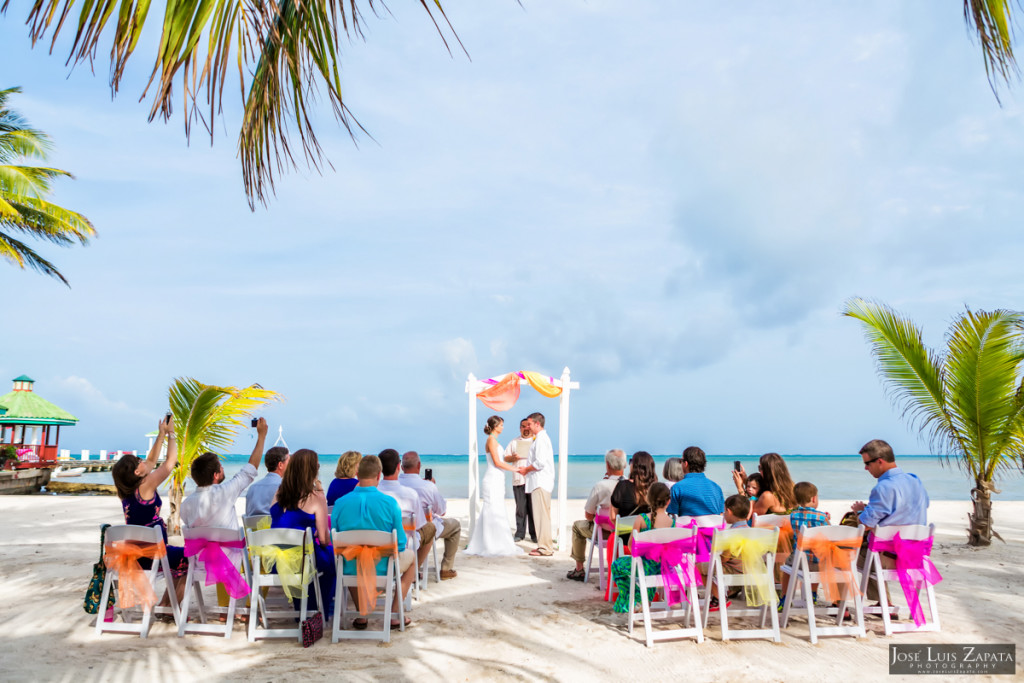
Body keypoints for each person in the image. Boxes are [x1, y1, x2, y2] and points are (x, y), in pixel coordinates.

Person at [331, 454, 416, 629]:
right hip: (384, 567)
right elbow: (400, 544)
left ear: (357, 475)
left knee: (351, 557)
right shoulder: (390, 504)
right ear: (379, 476)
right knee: (413, 559)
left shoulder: (340, 503)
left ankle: (362, 615)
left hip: (347, 567)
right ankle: (393, 614)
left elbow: (335, 541)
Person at [850, 439, 930, 602]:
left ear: (880, 461)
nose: (865, 468)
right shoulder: (915, 481)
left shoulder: (882, 488)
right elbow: (923, 505)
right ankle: (882, 603)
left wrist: (859, 511)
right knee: (871, 545)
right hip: (917, 553)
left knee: (843, 551)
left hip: (889, 557)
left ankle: (843, 604)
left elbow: (864, 525)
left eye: (867, 464)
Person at [269, 449, 335, 617]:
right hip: (303, 563)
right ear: (313, 470)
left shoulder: (278, 494)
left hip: (276, 562)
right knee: (332, 557)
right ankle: (322, 609)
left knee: (312, 554)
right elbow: (324, 539)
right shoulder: (314, 498)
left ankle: (305, 609)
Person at [183, 418, 268, 529]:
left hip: (199, 547)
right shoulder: (225, 492)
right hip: (229, 546)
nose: (223, 467)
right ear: (215, 475)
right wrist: (261, 436)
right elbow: (251, 468)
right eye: (220, 466)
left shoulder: (185, 505)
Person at [608, 482, 676, 613]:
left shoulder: (641, 519)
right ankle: (642, 600)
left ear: (649, 499)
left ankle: (636, 598)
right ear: (668, 501)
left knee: (617, 565)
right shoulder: (672, 522)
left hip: (643, 566)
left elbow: (631, 545)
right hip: (663, 568)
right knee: (645, 568)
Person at [466, 416, 524, 557]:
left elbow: (502, 460)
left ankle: (497, 541)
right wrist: (515, 469)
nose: (503, 427)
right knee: (491, 509)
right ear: (495, 426)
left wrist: (512, 459)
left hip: (498, 478)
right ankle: (490, 543)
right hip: (492, 478)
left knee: (497, 509)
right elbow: (497, 463)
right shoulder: (491, 440)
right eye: (501, 425)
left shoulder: (495, 440)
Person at [564, 449, 626, 581]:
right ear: (625, 465)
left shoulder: (601, 486)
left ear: (607, 465)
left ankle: (579, 569)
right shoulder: (630, 485)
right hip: (624, 532)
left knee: (576, 526)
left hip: (604, 532)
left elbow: (589, 516)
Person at [399, 450, 462, 579]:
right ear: (419, 466)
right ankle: (446, 568)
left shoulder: (395, 484)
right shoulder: (427, 486)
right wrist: (433, 486)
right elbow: (442, 511)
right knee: (455, 526)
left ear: (401, 467)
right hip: (424, 530)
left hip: (400, 530)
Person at [779, 481, 831, 609]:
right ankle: (812, 594)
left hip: (800, 561)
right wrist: (827, 518)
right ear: (814, 498)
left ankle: (785, 597)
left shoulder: (793, 515)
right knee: (816, 564)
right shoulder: (822, 517)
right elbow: (828, 531)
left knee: (787, 568)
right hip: (819, 561)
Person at [377, 449, 432, 568]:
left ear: (380, 469)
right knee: (430, 528)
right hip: (403, 546)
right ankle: (413, 573)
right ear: (398, 467)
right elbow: (419, 525)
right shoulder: (410, 494)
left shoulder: (375, 492)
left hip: (376, 547)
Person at [519, 412, 554, 556]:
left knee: (542, 516)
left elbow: (539, 462)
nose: (527, 427)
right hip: (538, 482)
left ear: (537, 424)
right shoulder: (539, 438)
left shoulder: (541, 439)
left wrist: (526, 469)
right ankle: (543, 545)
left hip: (540, 482)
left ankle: (545, 548)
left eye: (529, 424)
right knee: (540, 516)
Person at [502, 418, 537, 543]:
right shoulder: (514, 442)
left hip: (533, 479)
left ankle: (534, 534)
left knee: (533, 508)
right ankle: (520, 533)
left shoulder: (536, 441)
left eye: (528, 427)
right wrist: (513, 457)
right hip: (519, 479)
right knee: (520, 507)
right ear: (520, 428)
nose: (526, 429)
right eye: (523, 426)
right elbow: (506, 458)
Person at [667, 446, 724, 517]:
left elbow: (673, 516)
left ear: (686, 464)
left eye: (681, 461)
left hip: (688, 527)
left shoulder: (677, 488)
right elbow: (720, 516)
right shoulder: (716, 488)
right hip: (713, 527)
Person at [611, 451, 658, 525]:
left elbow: (613, 517)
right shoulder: (656, 489)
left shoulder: (622, 486)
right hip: (647, 534)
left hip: (626, 534)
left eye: (631, 461)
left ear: (635, 466)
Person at [245, 445, 289, 517]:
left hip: (255, 528)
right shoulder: (285, 487)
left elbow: (248, 514)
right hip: (278, 528)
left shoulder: (252, 488)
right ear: (280, 465)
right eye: (289, 461)